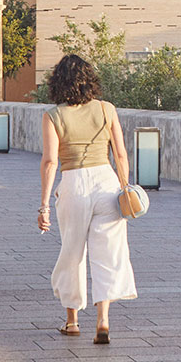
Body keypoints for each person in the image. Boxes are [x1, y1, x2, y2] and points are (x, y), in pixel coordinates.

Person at [37, 54, 136, 343]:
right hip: (106, 182)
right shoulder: (107, 109)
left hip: (74, 184)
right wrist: (125, 186)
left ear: (58, 82)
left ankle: (72, 321)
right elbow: (120, 154)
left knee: (72, 251)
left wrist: (44, 206)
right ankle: (103, 321)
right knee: (108, 253)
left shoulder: (54, 116)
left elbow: (50, 162)